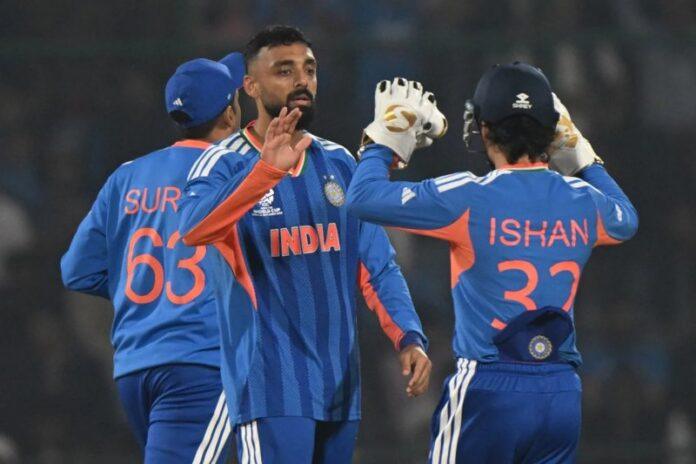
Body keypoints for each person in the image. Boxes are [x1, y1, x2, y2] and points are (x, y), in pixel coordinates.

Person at [345, 64, 639, 463]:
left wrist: (387, 135)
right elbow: (626, 219)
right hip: (560, 391)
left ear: (484, 129)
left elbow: (362, 198)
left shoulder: (468, 196)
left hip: (488, 387)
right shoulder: (584, 200)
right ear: (552, 132)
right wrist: (582, 156)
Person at [178, 25, 431, 464]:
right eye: (284, 71)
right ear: (251, 86)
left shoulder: (339, 163)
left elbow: (376, 265)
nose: (302, 80)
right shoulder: (222, 162)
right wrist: (265, 173)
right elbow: (193, 228)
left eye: (309, 70)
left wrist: (408, 335)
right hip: (269, 386)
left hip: (338, 386)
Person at [60, 53, 245, 463]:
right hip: (201, 361)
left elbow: (75, 270)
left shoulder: (127, 176)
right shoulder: (238, 173)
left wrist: (146, 292)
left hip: (136, 367)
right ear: (230, 115)